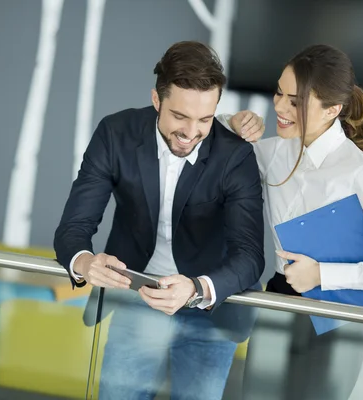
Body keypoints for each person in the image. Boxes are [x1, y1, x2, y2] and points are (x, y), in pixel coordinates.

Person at [54, 41, 266, 400]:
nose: (191, 132)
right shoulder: (115, 133)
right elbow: (74, 227)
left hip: (212, 306)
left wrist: (196, 289)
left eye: (205, 119)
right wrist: (85, 262)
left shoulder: (236, 156)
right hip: (139, 295)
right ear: (156, 101)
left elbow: (250, 256)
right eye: (180, 117)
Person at [220, 44, 363, 400]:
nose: (280, 107)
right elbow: (213, 144)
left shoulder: (361, 174)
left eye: (295, 101)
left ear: (333, 109)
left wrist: (323, 275)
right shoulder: (272, 153)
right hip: (280, 301)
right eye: (279, 93)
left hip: (340, 316)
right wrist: (232, 123)